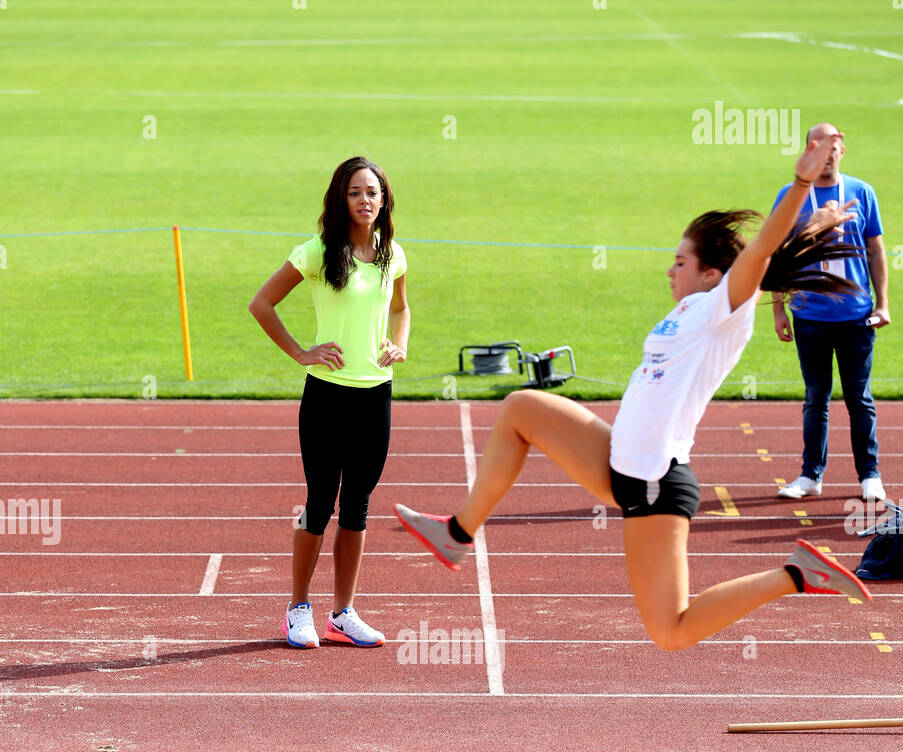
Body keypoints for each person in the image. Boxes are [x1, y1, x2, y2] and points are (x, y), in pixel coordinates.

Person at [394, 134, 871, 654]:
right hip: (621, 460)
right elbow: (769, 257)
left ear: (713, 274)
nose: (670, 269)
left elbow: (758, 254)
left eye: (681, 262)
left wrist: (802, 184)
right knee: (520, 408)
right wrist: (815, 227)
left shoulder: (722, 311)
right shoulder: (688, 310)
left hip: (654, 480)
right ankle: (458, 533)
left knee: (672, 631)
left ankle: (795, 575)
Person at [249, 156, 410, 647]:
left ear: (385, 202)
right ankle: (298, 607)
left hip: (374, 398)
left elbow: (402, 307)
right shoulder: (318, 252)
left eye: (374, 193)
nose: (366, 201)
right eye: (357, 192)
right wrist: (301, 352)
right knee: (320, 503)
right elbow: (262, 302)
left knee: (358, 506)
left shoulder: (393, 255)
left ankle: (342, 614)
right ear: (341, 198)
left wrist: (398, 343)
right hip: (326, 398)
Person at [773, 122, 889, 503]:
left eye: (832, 147)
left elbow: (876, 250)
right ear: (809, 152)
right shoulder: (790, 197)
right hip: (810, 315)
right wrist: (779, 311)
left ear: (842, 150)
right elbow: (775, 256)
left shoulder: (862, 192)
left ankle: (869, 475)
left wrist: (883, 303)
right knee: (815, 398)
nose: (826, 155)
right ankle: (811, 475)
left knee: (860, 398)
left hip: (856, 316)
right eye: (818, 148)